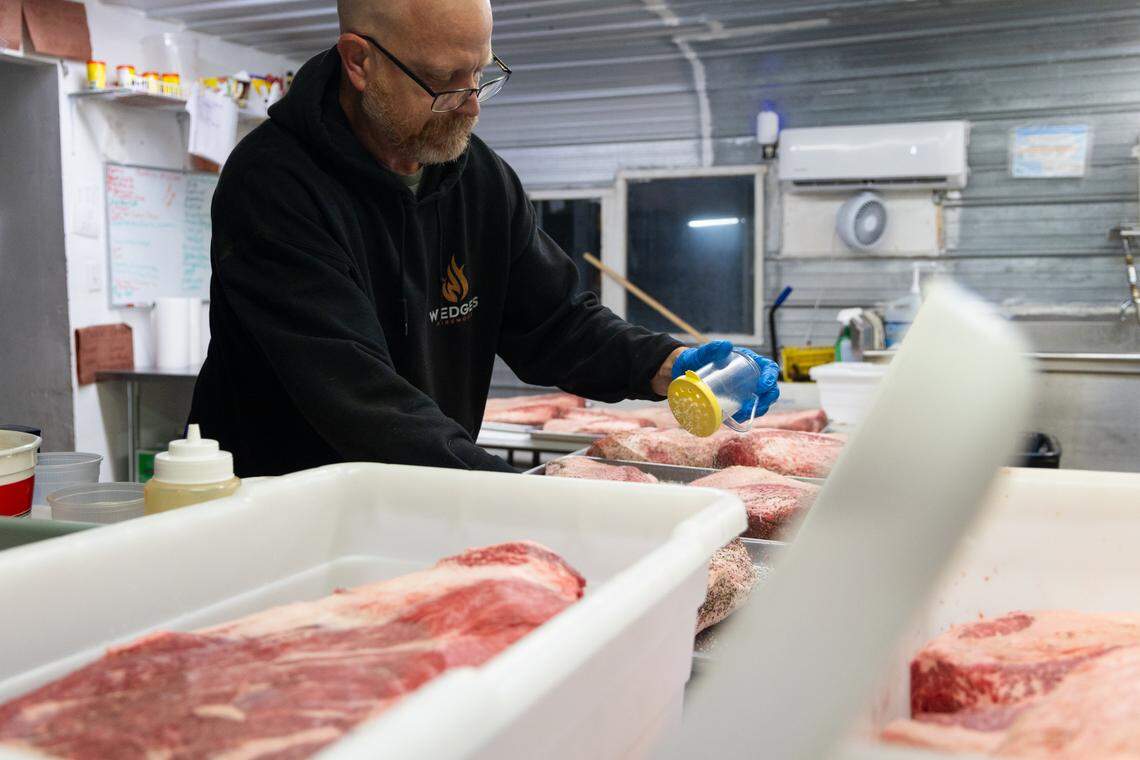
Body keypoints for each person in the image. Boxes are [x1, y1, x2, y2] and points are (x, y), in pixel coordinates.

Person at [189, 0, 779, 476]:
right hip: (284, 511)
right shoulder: (274, 187)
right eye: (446, 81)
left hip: (420, 493)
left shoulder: (478, 177)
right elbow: (360, 399)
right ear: (359, 61)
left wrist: (666, 364)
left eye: (483, 74)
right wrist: (504, 495)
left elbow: (556, 324)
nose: (472, 105)